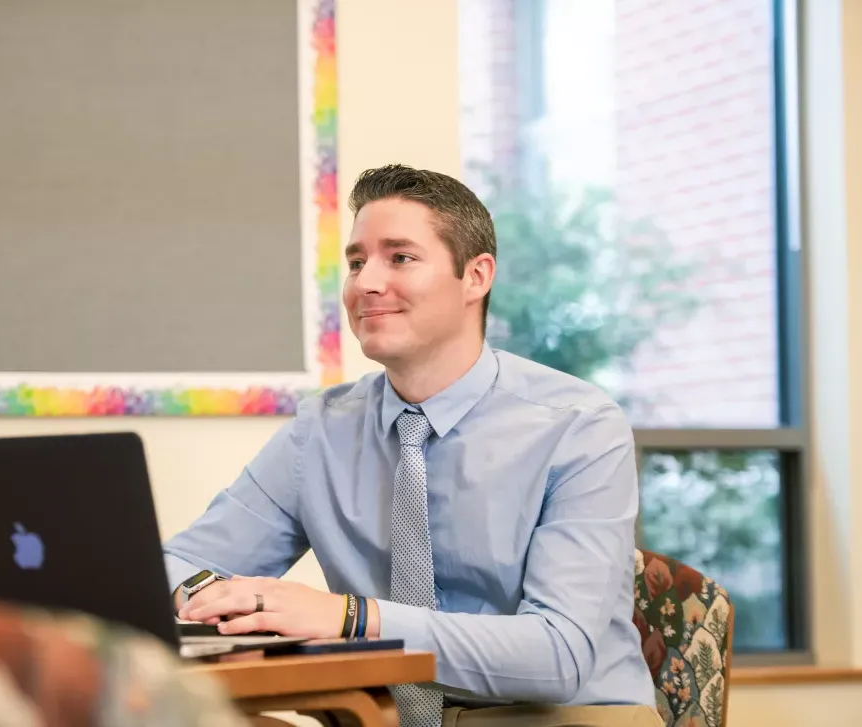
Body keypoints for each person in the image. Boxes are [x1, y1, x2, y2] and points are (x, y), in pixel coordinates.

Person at [165, 164, 661, 727]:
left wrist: (353, 619)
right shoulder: (321, 429)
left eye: (399, 257)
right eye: (356, 262)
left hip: (552, 717)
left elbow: (559, 654)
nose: (366, 283)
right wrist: (220, 598)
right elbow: (175, 566)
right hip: (376, 715)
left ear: (476, 277)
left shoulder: (579, 426)